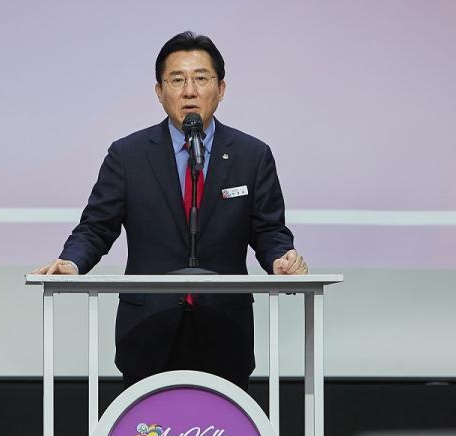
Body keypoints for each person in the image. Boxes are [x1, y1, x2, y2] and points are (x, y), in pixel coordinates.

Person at [33, 31, 307, 391]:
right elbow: (96, 227)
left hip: (225, 329)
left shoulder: (252, 155)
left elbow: (269, 230)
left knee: (219, 428)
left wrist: (280, 259)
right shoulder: (128, 155)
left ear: (221, 88)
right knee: (149, 429)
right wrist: (72, 261)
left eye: (201, 78)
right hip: (148, 329)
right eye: (177, 80)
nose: (189, 91)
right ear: (159, 92)